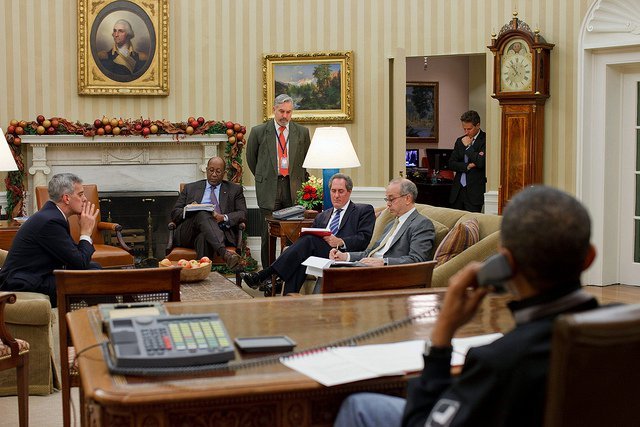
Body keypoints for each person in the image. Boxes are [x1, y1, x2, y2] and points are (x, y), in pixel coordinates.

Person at [334, 185, 599, 427]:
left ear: (506, 263)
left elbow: (423, 422)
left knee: (358, 406)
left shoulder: (496, 361)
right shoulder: (629, 328)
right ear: (589, 258)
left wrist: (441, 338)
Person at [240, 173, 375, 295]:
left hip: (341, 253)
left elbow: (364, 239)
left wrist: (340, 241)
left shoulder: (363, 210)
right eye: (333, 191)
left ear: (349, 192)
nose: (336, 195)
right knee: (302, 256)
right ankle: (289, 300)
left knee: (308, 241)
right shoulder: (322, 216)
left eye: (341, 191)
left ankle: (265, 275)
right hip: (317, 252)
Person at [0, 173, 100, 307]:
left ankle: (102, 319)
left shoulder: (53, 215)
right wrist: (86, 232)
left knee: (94, 269)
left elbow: (73, 256)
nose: (85, 199)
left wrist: (84, 233)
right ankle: (111, 319)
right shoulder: (51, 221)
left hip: (37, 275)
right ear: (66, 198)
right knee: (92, 278)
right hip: (23, 283)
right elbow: (79, 262)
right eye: (81, 194)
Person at [246, 94, 311, 270]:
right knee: (268, 234)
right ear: (274, 109)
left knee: (293, 232)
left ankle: (290, 270)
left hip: (293, 186)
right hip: (269, 188)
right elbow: (252, 160)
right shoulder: (258, 132)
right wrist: (266, 176)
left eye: (289, 112)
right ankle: (268, 275)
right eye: (281, 111)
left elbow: (305, 161)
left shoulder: (302, 132)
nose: (285, 116)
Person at [330, 178, 435, 266]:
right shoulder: (390, 224)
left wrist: (384, 262)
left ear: (407, 199)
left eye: (392, 199)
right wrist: (345, 256)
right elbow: (371, 252)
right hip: (367, 267)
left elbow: (417, 259)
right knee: (326, 270)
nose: (388, 204)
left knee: (332, 276)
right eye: (387, 200)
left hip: (388, 273)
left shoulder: (421, 224)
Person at [169, 156, 247, 269]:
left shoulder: (234, 190)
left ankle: (203, 277)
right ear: (206, 170)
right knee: (202, 213)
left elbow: (242, 213)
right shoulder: (190, 188)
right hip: (188, 232)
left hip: (219, 230)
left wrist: (223, 217)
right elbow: (175, 213)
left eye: (218, 171)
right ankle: (225, 254)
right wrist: (189, 209)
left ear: (224, 173)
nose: (214, 174)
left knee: (203, 237)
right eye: (211, 170)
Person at [448, 110, 486, 212]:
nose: (466, 132)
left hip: (474, 193)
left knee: (471, 224)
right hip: (458, 191)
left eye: (469, 129)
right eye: (464, 129)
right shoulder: (460, 141)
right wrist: (467, 166)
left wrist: (469, 147)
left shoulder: (485, 140)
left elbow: (481, 162)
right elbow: (451, 164)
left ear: (478, 125)